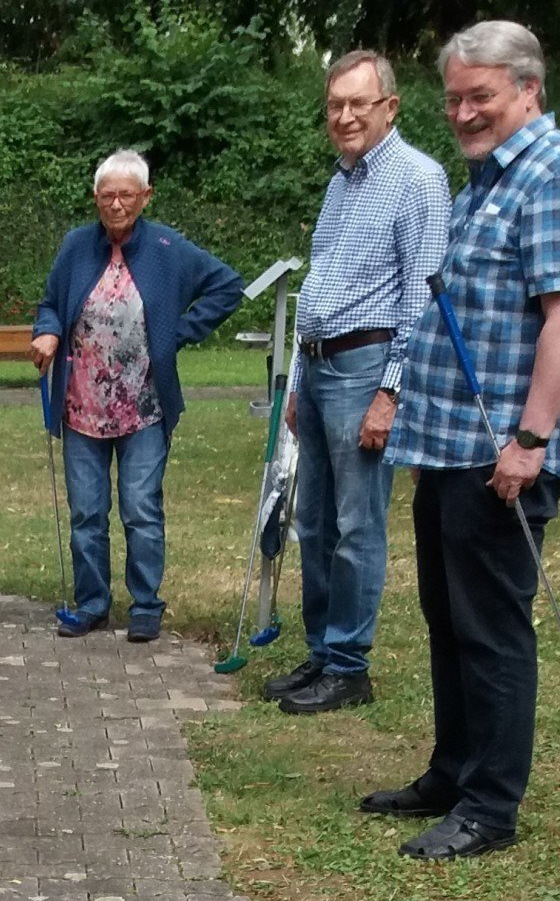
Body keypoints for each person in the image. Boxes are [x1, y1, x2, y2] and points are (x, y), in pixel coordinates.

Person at [381, 20, 560, 860]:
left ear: (529, 89)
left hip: (502, 454)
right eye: (452, 99)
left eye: (479, 96)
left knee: (491, 629)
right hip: (450, 443)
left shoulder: (547, 176)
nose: (461, 113)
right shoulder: (486, 181)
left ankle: (490, 806)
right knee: (448, 618)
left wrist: (531, 439)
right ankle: (453, 772)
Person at [270, 52, 450, 716]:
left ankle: (349, 666)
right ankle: (322, 651)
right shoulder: (341, 181)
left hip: (366, 368)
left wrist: (391, 392)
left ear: (390, 108)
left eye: (358, 103)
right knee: (314, 521)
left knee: (356, 525)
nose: (344, 116)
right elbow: (319, 284)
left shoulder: (419, 179)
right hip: (319, 367)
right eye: (335, 105)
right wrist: (297, 380)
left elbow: (421, 299)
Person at [30, 151, 243, 642]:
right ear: (95, 199)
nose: (117, 204)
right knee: (86, 512)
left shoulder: (168, 247)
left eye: (127, 195)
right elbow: (51, 303)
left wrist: (179, 333)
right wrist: (48, 331)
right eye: (107, 196)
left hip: (145, 405)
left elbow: (227, 286)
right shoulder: (76, 245)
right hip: (81, 404)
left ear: (146, 197)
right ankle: (92, 604)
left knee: (140, 508)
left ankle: (145, 605)